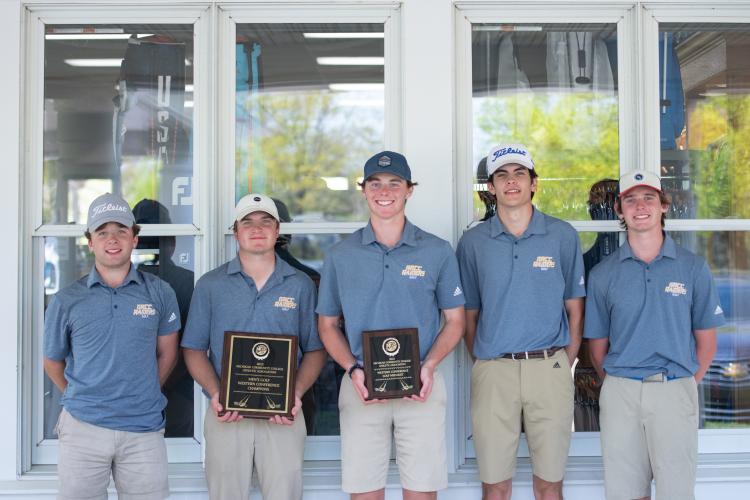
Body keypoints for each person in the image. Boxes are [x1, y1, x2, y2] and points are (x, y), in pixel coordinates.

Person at [317, 151, 465, 499]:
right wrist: (352, 368)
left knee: (422, 492)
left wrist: (429, 366)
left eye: (394, 183)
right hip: (361, 386)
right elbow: (327, 326)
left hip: (422, 387)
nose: (385, 191)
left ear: (409, 190)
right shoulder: (341, 254)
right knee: (365, 492)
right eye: (375, 183)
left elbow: (455, 321)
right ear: (364, 190)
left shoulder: (437, 250)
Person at [584, 170, 724, 500]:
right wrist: (622, 383)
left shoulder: (692, 267)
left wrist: (684, 383)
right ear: (619, 211)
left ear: (663, 206)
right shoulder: (604, 274)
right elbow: (597, 346)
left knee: (676, 492)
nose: (640, 206)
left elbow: (707, 342)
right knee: (626, 493)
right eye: (630, 200)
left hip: (674, 388)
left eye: (649, 198)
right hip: (621, 393)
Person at [456, 144, 585, 500]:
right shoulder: (473, 243)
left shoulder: (562, 235)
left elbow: (575, 308)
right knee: (495, 484)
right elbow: (469, 315)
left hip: (550, 367)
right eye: (501, 175)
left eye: (519, 174)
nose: (511, 182)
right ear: (491, 188)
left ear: (534, 184)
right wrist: (485, 360)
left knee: (550, 482)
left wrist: (565, 360)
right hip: (495, 369)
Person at [181, 193, 326, 500]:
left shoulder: (300, 284)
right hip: (227, 414)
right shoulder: (211, 285)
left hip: (284, 415)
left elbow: (315, 350)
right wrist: (216, 393)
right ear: (236, 231)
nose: (257, 228)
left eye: (266, 222)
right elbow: (193, 348)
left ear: (277, 232)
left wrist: (295, 393)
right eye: (248, 222)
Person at [44, 193, 180, 500]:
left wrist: (145, 390)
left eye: (121, 230)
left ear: (134, 237)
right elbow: (52, 362)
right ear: (90, 242)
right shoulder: (67, 300)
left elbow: (168, 352)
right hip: (83, 429)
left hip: (143, 429)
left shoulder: (160, 292)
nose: (113, 239)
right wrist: (83, 395)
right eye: (102, 232)